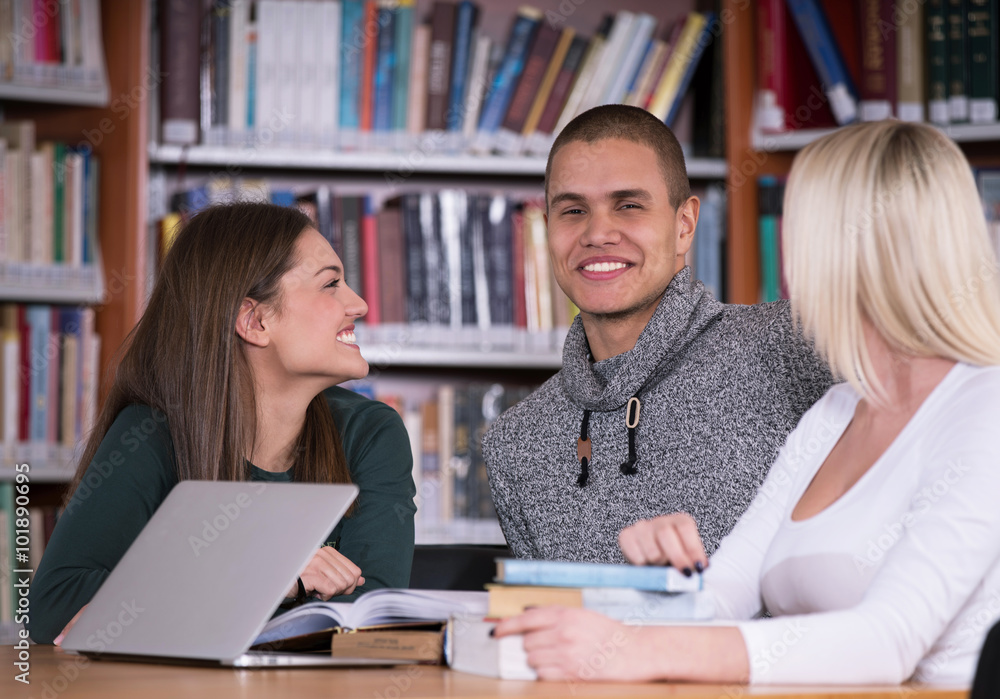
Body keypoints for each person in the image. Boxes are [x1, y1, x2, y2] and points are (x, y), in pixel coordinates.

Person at [495, 121, 1000, 686]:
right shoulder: (837, 412)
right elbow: (726, 591)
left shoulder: (987, 406)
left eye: (804, 231)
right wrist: (664, 586)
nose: (793, 257)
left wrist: (642, 651)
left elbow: (889, 640)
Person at [29, 202, 416, 644]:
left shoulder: (372, 434)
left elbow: (369, 615)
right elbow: (54, 606)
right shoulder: (150, 433)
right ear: (254, 321)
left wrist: (182, 601)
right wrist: (277, 577)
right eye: (331, 284)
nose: (359, 304)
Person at [483, 105, 832, 563]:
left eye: (628, 205)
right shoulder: (513, 444)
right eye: (573, 210)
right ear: (549, 231)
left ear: (684, 225)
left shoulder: (792, 344)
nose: (597, 233)